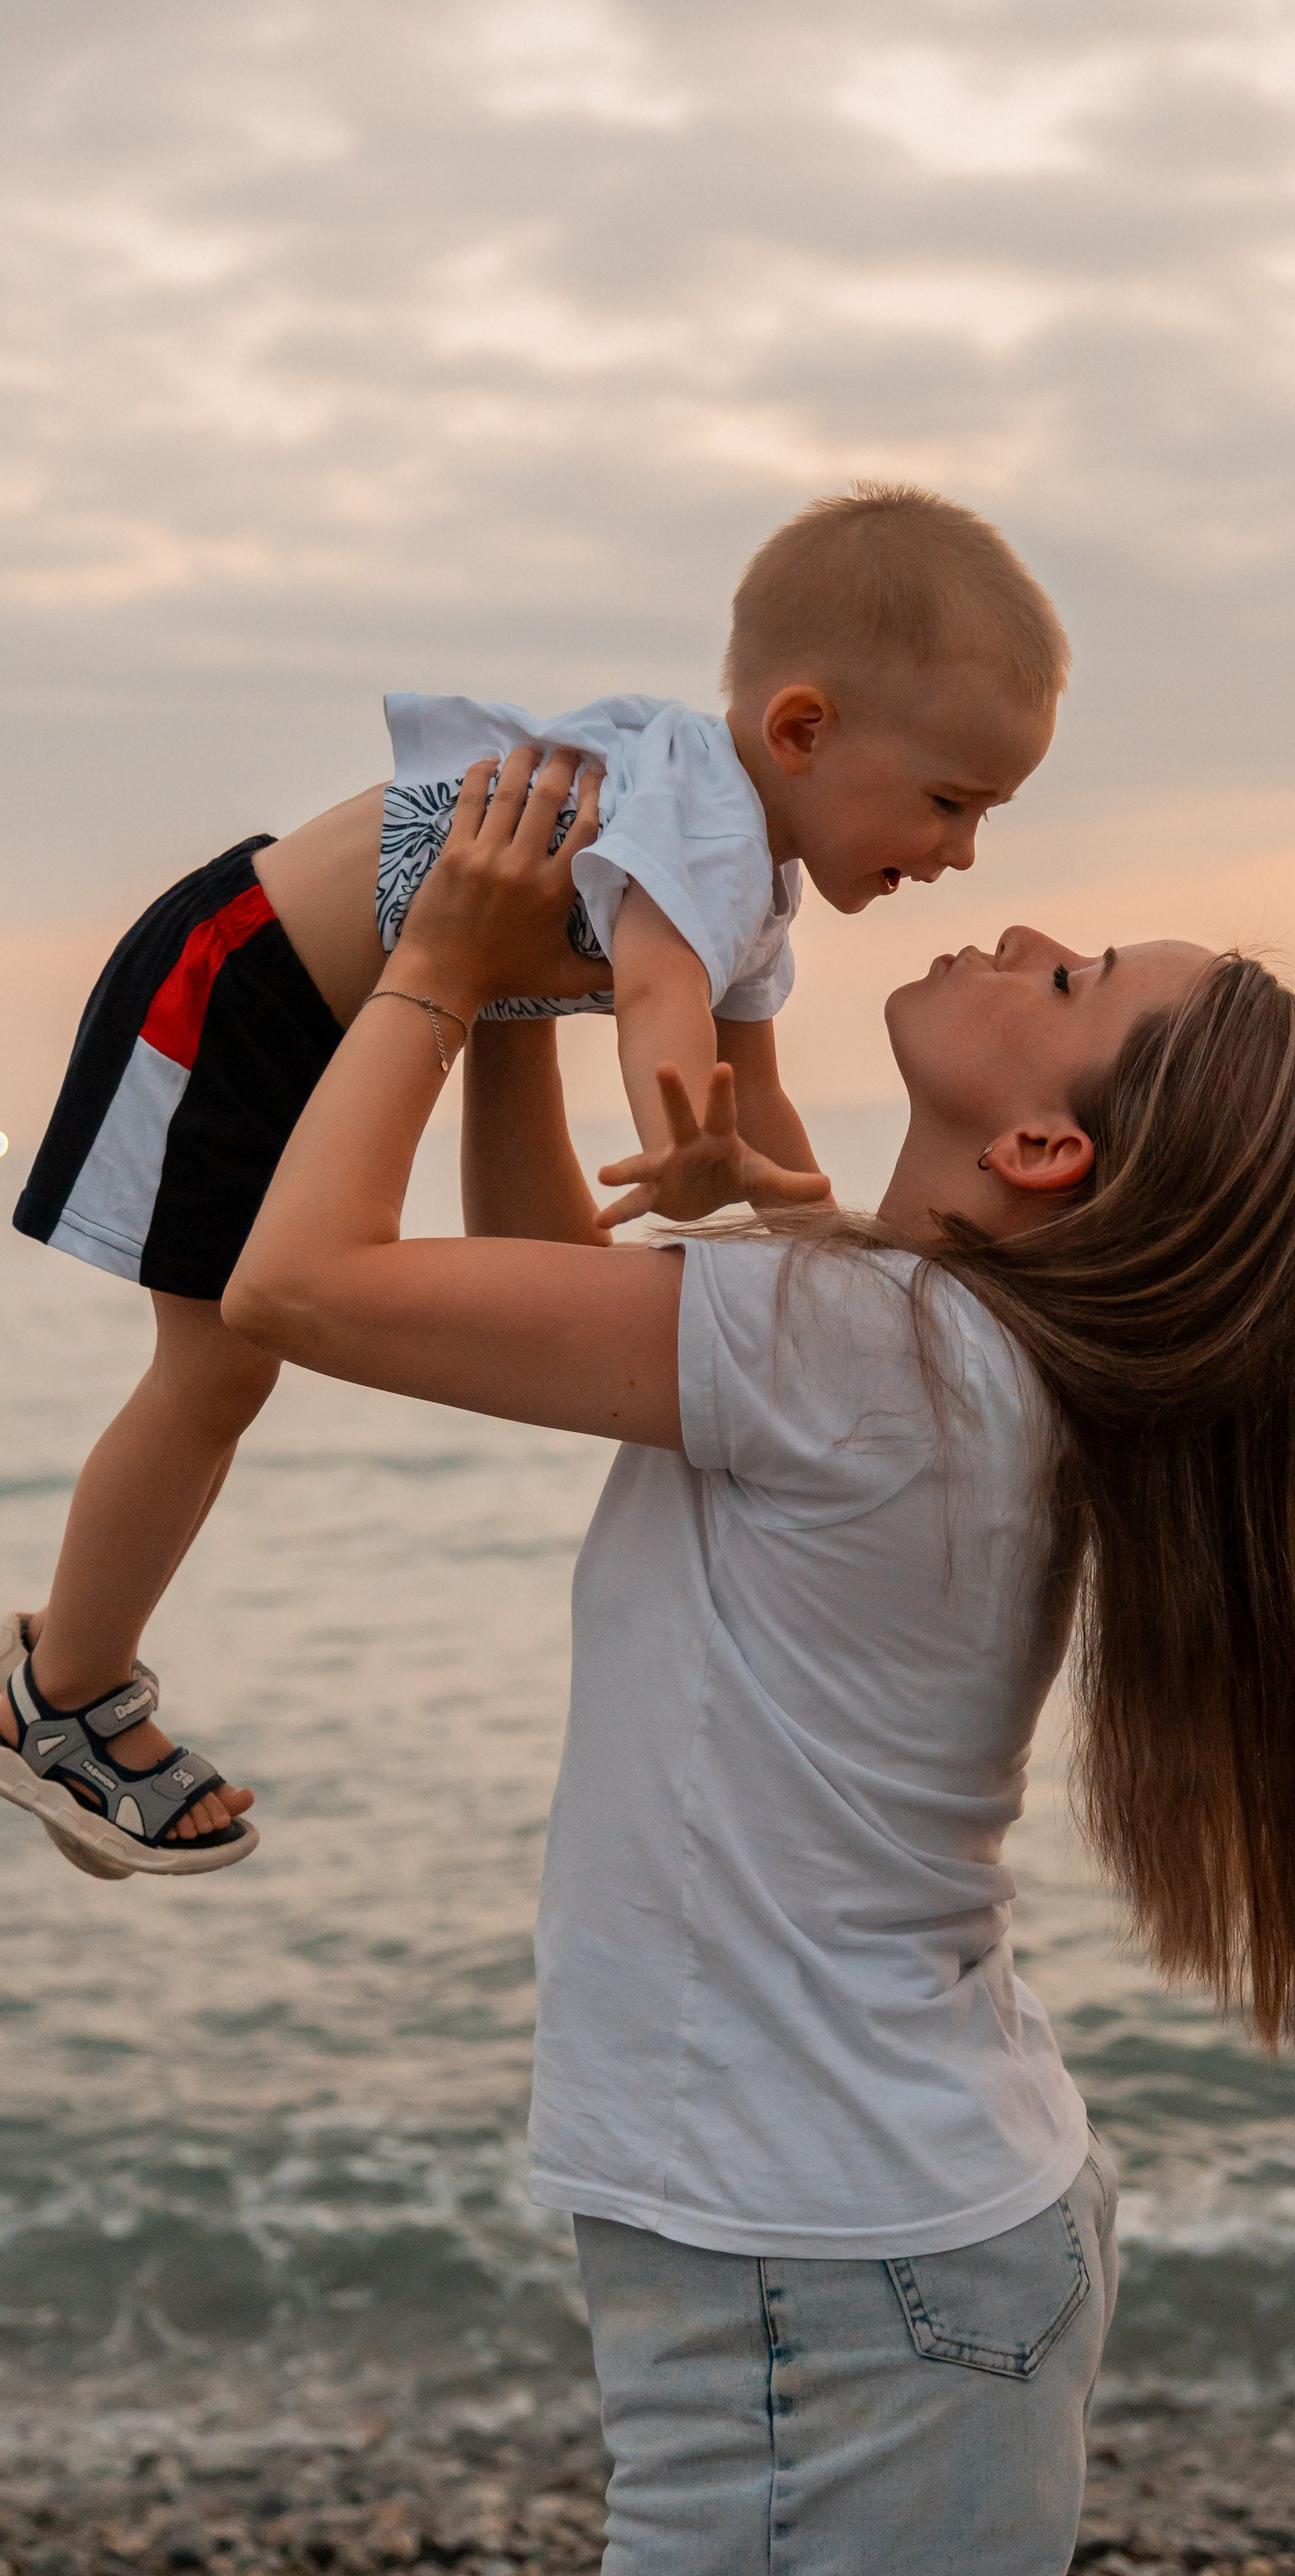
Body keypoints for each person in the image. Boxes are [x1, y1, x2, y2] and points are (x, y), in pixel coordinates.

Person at [215, 745, 1295, 2574]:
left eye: (1070, 985)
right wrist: (527, 1000)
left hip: (826, 2271)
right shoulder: (925, 1353)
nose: (1026, 929)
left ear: (1042, 1149)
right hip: (875, 2242)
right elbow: (542, 1285)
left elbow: (300, 1286)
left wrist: (436, 958)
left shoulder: (853, 1353)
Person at [3, 485, 1064, 1873]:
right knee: (215, 1371)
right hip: (240, 981)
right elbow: (658, 1010)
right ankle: (61, 1693)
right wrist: (682, 1137)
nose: (962, 852)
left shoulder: (750, 872)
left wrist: (834, 1232)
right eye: (948, 802)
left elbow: (761, 1083)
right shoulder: (705, 826)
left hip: (316, 1000)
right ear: (803, 731)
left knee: (224, 1375)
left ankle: (72, 1657)